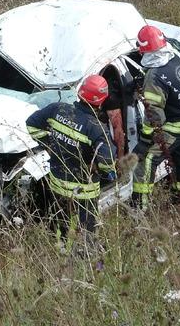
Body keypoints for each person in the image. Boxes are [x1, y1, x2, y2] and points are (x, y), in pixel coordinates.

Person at [25, 74, 117, 233]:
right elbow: (107, 163)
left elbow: (31, 125)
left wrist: (50, 145)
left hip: (57, 184)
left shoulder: (57, 109)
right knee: (86, 233)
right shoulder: (97, 128)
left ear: (80, 92)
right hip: (84, 192)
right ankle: (83, 255)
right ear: (102, 100)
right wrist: (101, 170)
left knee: (60, 226)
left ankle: (60, 251)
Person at [131, 25, 180, 209]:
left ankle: (140, 205)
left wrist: (146, 140)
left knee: (147, 158)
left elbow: (155, 117)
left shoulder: (154, 77)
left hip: (178, 124)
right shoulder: (175, 58)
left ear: (143, 50)